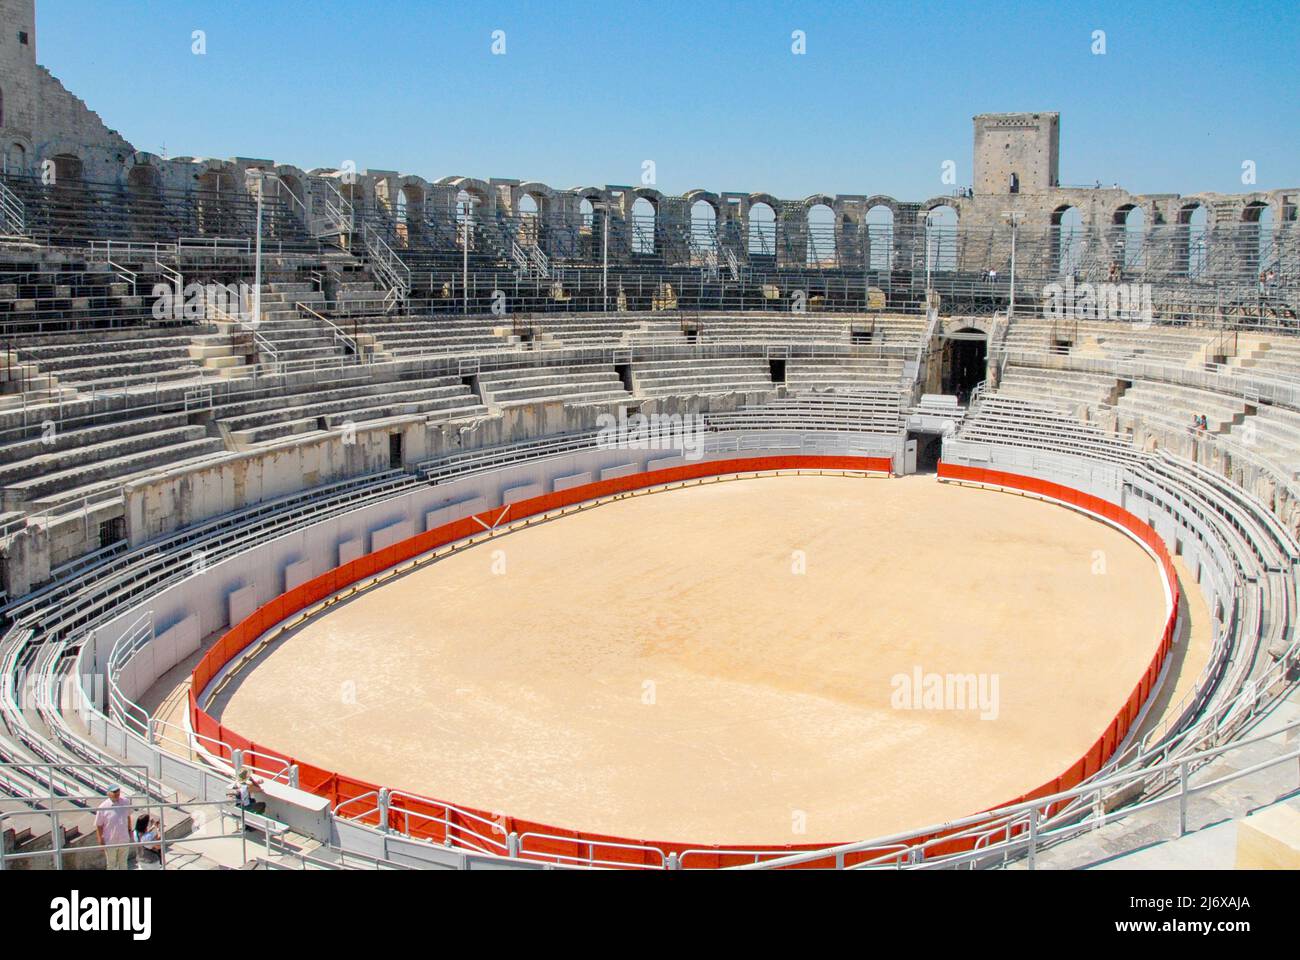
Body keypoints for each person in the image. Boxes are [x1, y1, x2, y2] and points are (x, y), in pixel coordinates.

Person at [95, 785, 132, 870]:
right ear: (108, 793)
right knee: (111, 864)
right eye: (114, 792)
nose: (117, 793)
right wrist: (100, 840)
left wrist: (130, 829)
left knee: (123, 863)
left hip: (124, 838)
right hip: (111, 840)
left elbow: (128, 816)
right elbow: (99, 825)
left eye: (118, 791)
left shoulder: (125, 802)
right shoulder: (103, 807)